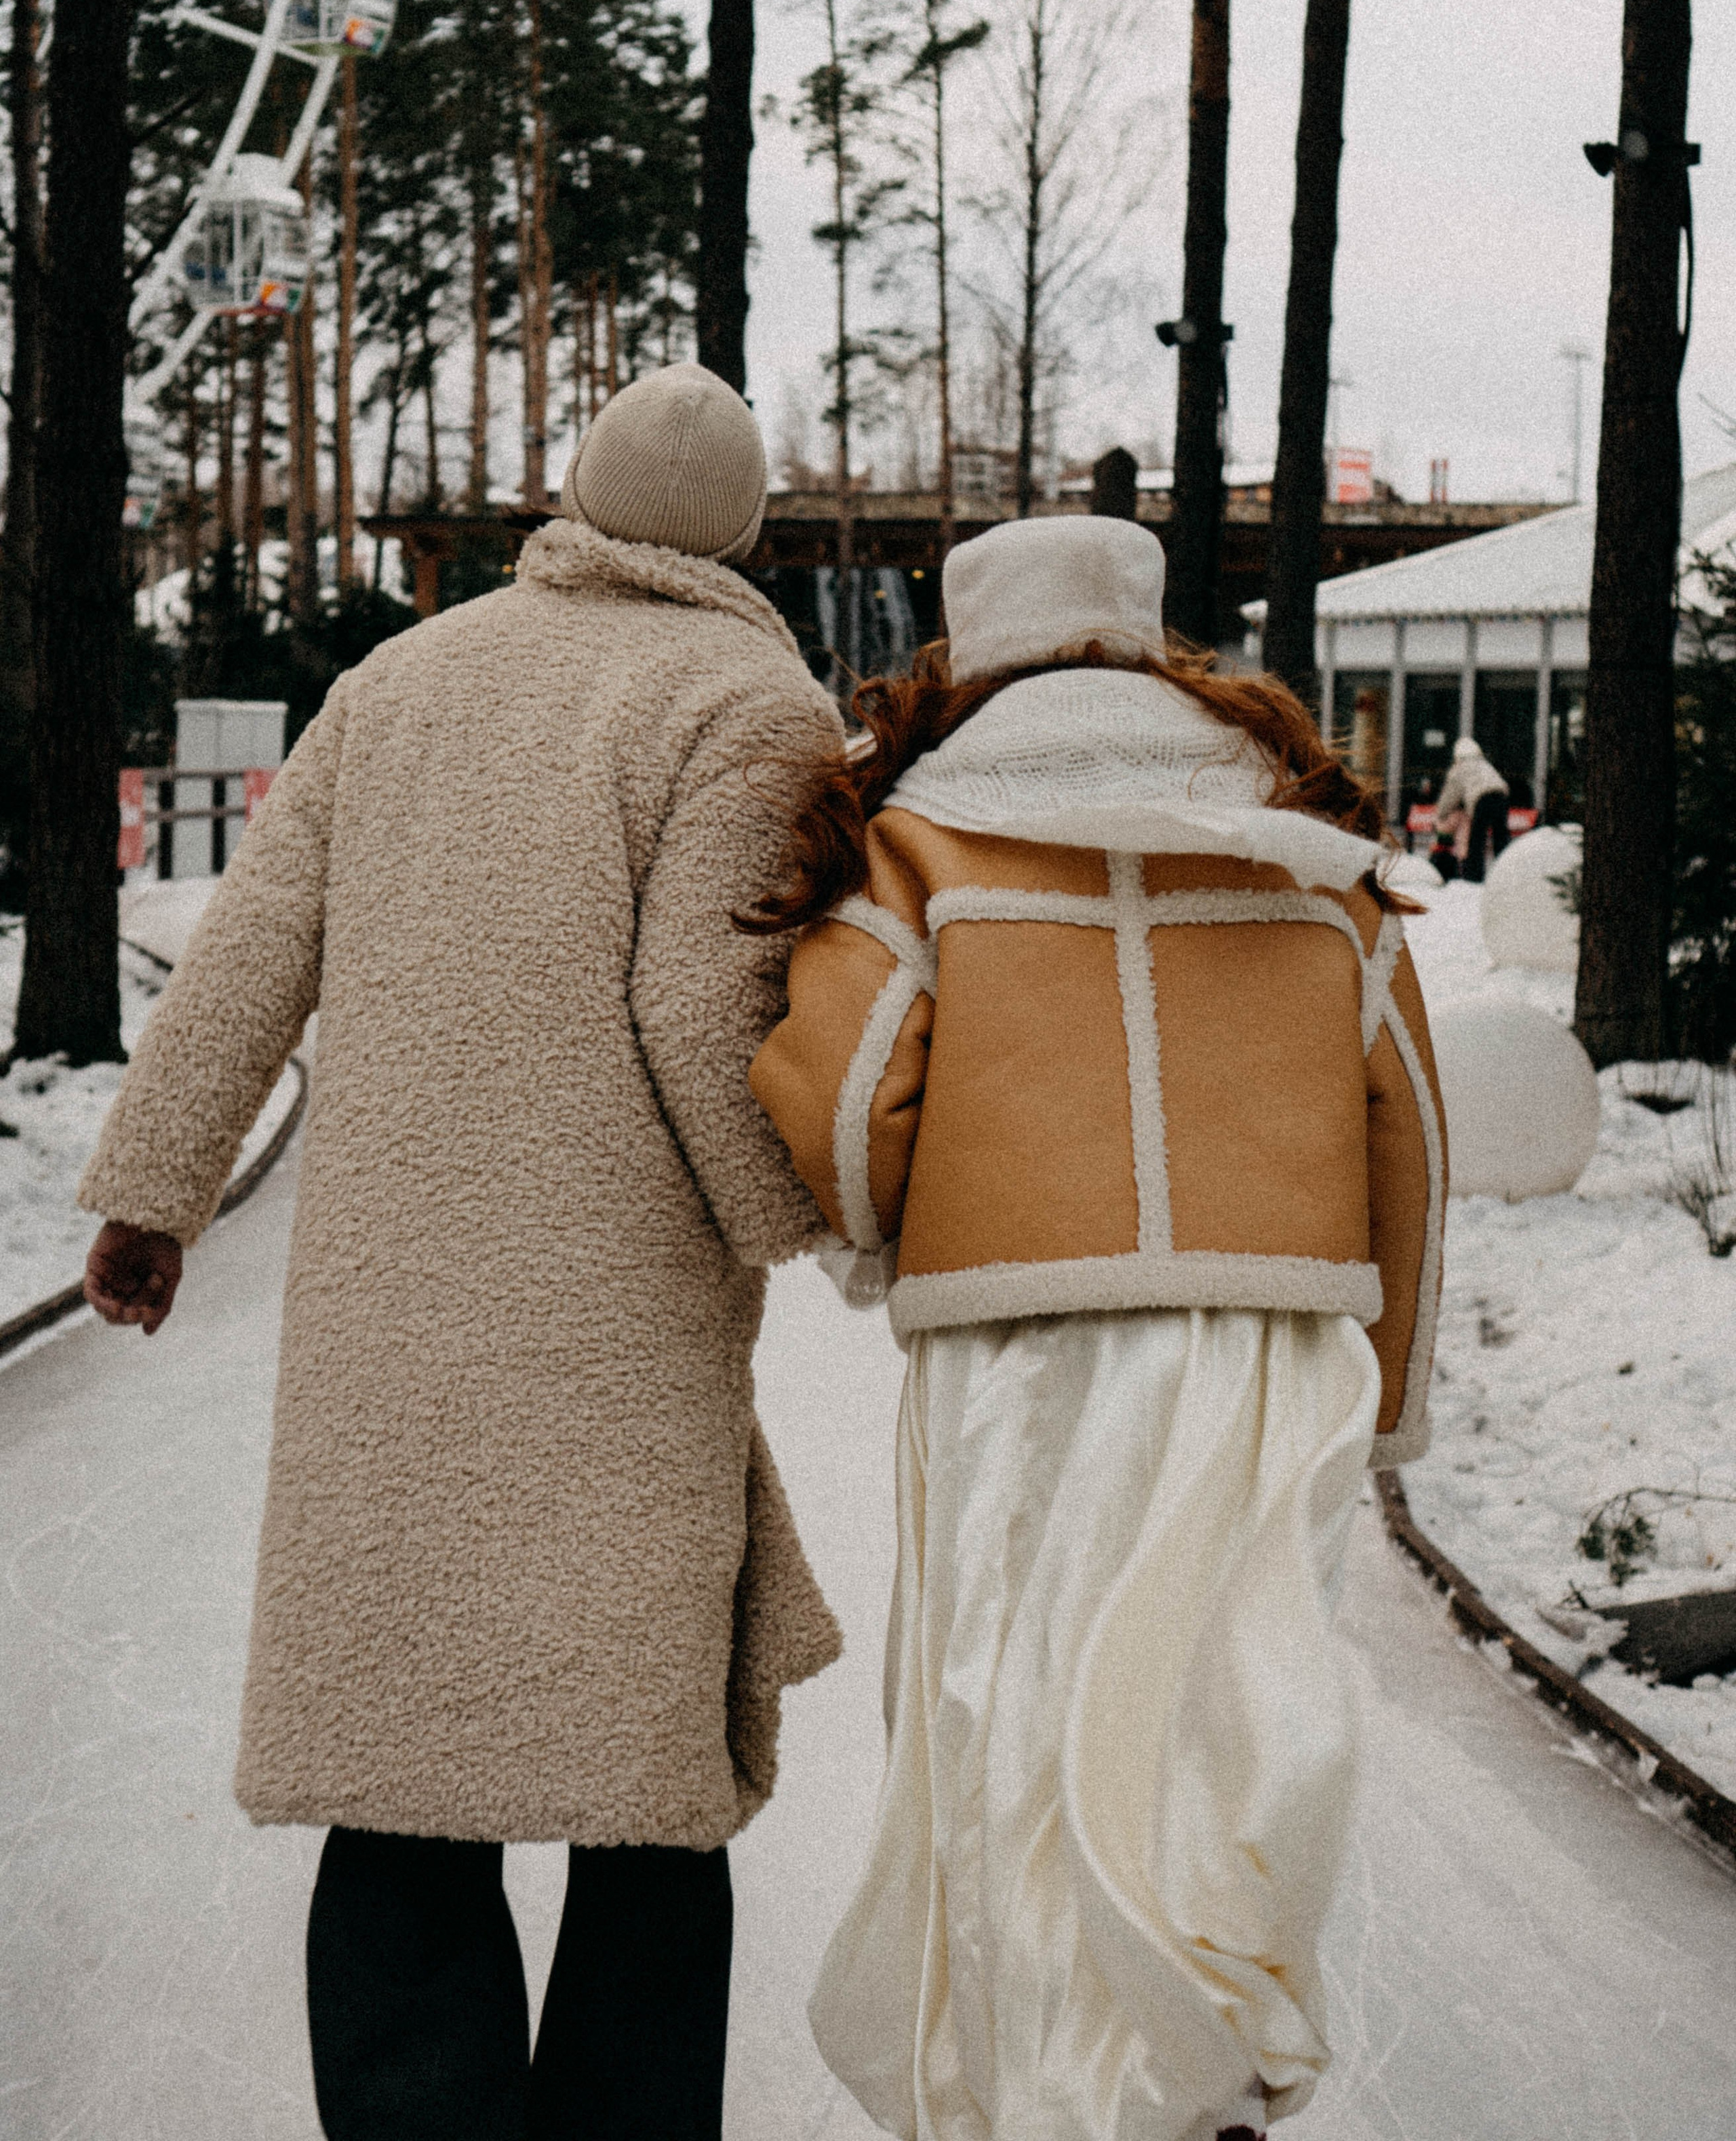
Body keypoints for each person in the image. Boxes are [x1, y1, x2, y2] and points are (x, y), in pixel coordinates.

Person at [79, 366, 846, 2141]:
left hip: (391, 1328)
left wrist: (155, 1195)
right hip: (614, 1333)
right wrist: (800, 1215)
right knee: (649, 1794)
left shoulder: (403, 681)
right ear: (743, 529)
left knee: (402, 1776)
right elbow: (703, 1010)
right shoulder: (750, 701)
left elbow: (254, 946)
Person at [745, 518, 1446, 2141]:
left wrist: (888, 1235)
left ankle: (1035, 2093)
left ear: (966, 643)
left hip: (1020, 1350)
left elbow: (845, 1113)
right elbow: (1405, 1121)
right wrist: (1389, 1397)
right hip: (1265, 1354)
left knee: (1019, 1723)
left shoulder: (918, 841)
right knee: (1222, 1726)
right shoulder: (1299, 834)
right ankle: (1208, 2079)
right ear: (1146, 636)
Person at [1434, 733, 1510, 882]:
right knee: (1500, 838)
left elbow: (1450, 795)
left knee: (1477, 840)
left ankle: (1474, 877)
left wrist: (1441, 814)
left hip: (1482, 800)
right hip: (1501, 796)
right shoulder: (1484, 764)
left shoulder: (1459, 768)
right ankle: (1505, 874)